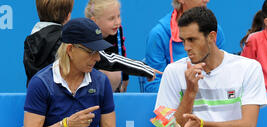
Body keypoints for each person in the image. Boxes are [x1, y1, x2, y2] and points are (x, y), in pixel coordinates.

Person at [23, 0, 157, 88]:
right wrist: (143, 68)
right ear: (68, 15)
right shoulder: (66, 39)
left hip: (38, 107)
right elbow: (108, 60)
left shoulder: (30, 40)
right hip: (62, 107)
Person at [144, 0, 225, 93]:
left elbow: (218, 75)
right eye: (184, 40)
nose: (207, 0)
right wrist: (185, 97)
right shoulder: (158, 35)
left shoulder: (214, 31)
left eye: (192, 39)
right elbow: (154, 84)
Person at [85, 0, 129, 92]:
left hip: (113, 84)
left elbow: (122, 54)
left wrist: (125, 78)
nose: (117, 22)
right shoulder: (87, 35)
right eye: (111, 18)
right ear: (94, 21)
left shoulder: (117, 30)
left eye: (118, 16)